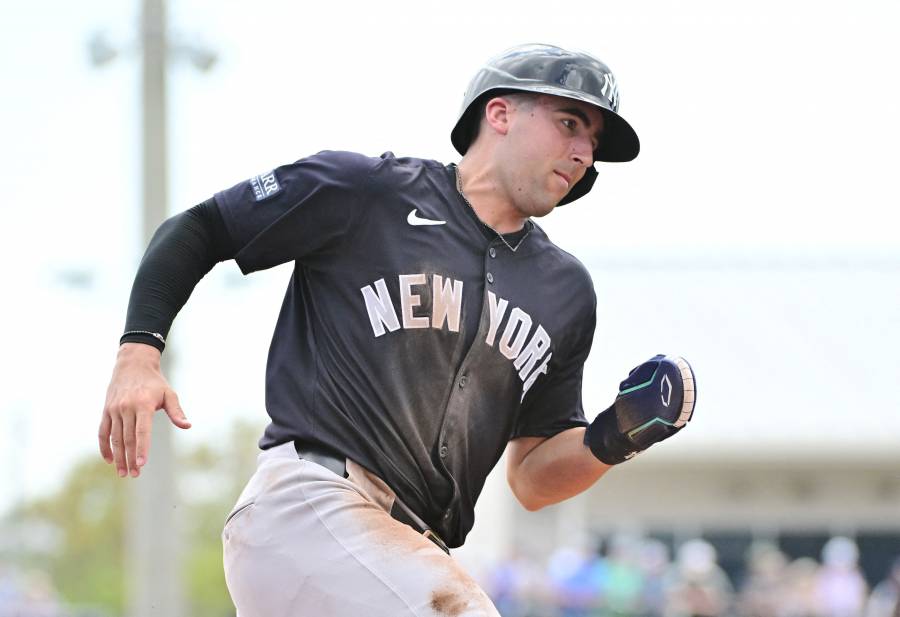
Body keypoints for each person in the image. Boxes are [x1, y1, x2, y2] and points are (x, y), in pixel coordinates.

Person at [99, 43, 696, 616]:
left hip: (399, 561)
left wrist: (617, 434)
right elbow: (201, 229)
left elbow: (532, 479)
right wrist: (139, 354)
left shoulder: (564, 291)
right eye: (571, 123)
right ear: (500, 112)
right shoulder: (368, 192)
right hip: (313, 505)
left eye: (593, 141)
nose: (584, 151)